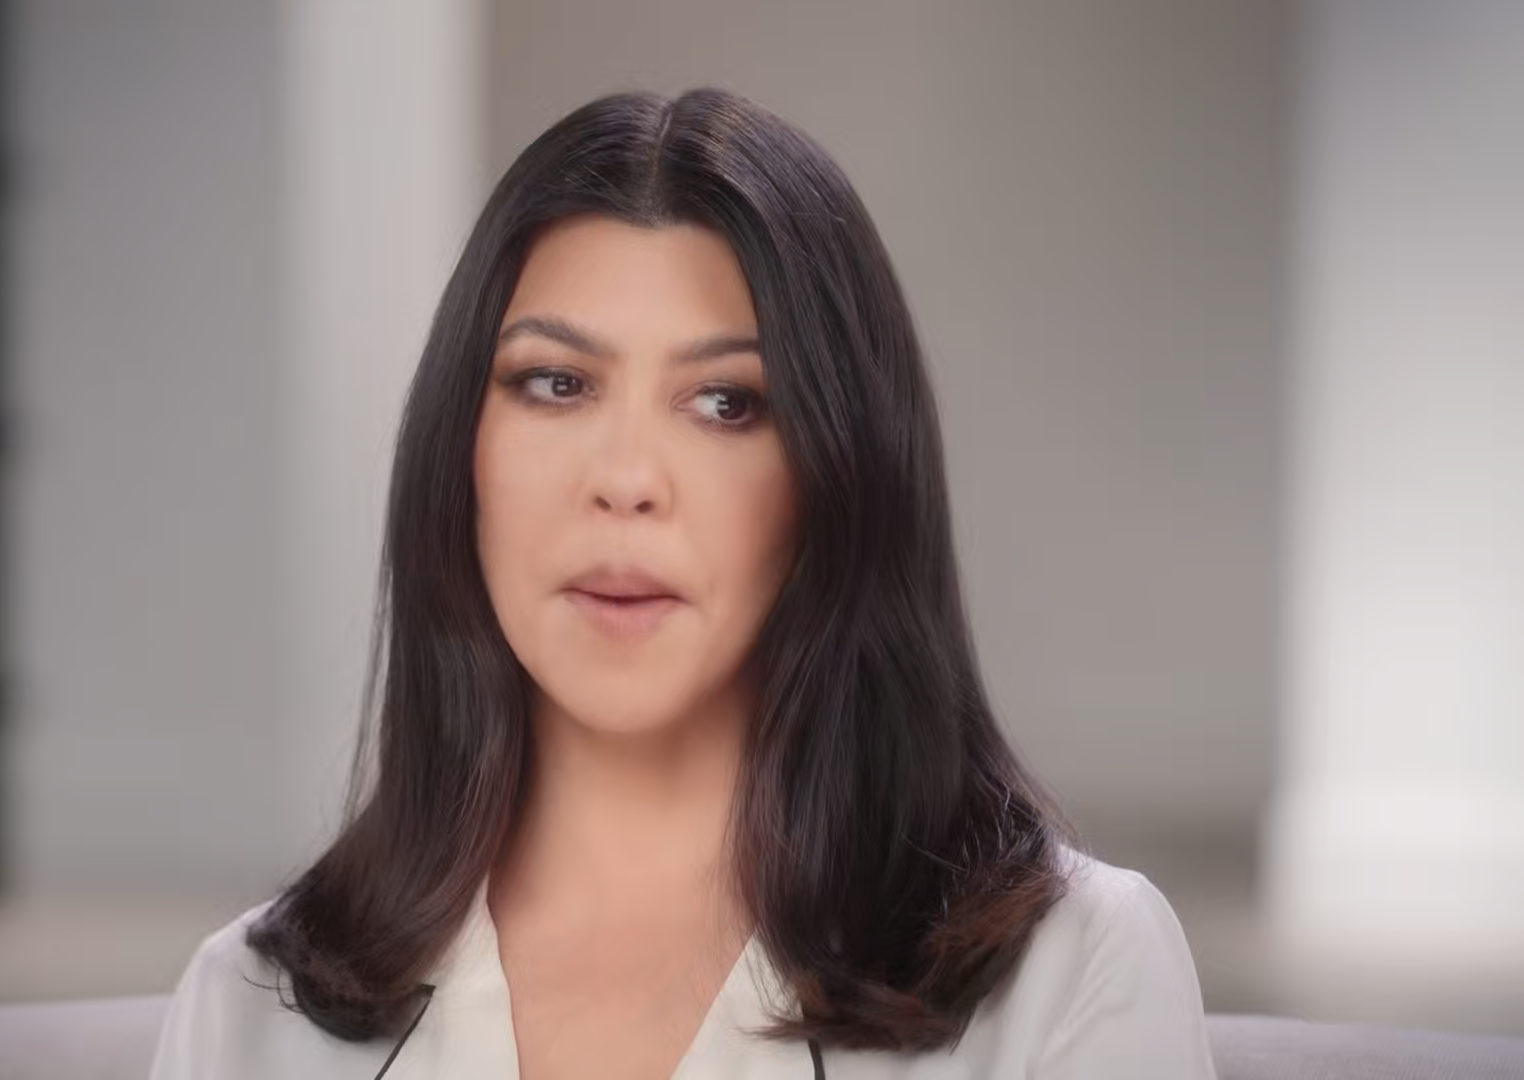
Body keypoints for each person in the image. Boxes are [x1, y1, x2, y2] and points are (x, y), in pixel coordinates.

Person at [148, 87, 1217, 1080]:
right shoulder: (251, 1009)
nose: (626, 481)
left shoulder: (1071, 974)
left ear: (839, 475)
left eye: (725, 404)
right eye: (555, 383)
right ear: (458, 451)